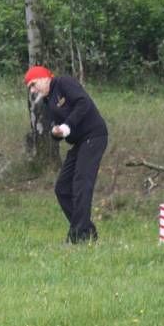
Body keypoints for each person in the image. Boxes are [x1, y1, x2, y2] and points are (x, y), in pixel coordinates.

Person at [24, 65, 108, 243]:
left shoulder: (63, 83)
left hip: (94, 136)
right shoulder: (47, 103)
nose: (32, 90)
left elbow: (83, 103)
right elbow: (58, 132)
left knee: (81, 184)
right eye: (29, 87)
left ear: (44, 78)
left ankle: (78, 236)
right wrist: (56, 134)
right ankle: (87, 231)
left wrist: (67, 125)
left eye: (33, 84)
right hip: (79, 143)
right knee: (62, 188)